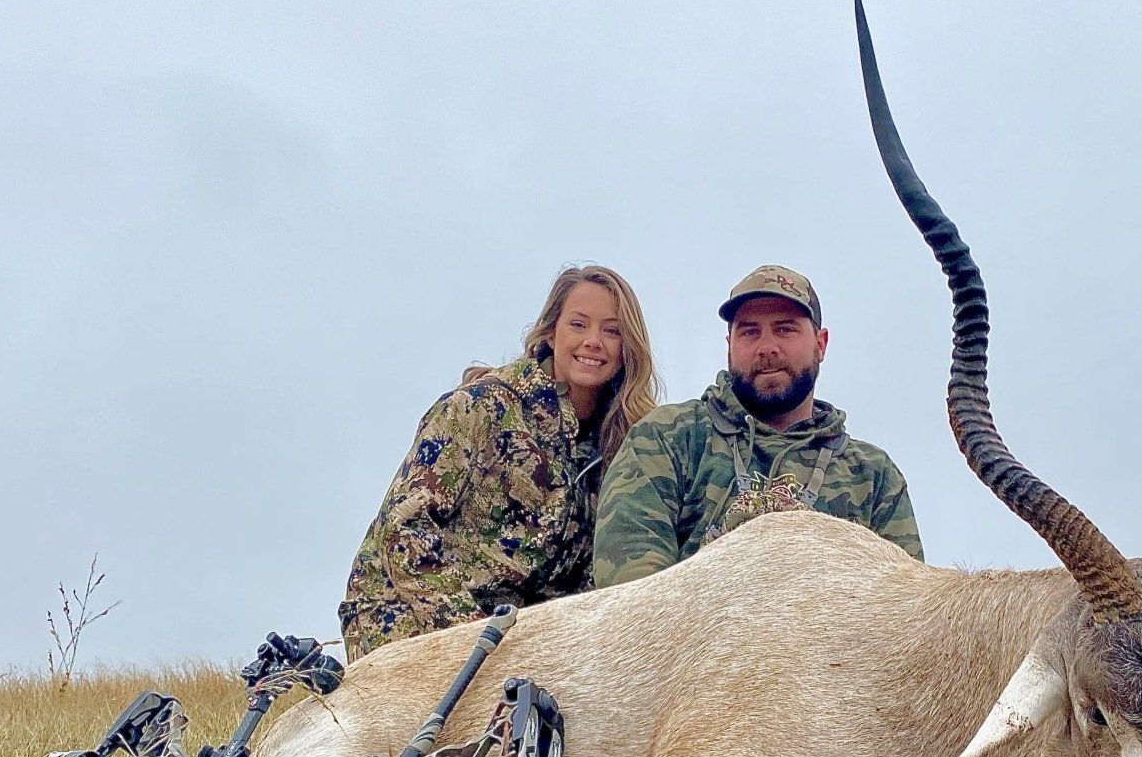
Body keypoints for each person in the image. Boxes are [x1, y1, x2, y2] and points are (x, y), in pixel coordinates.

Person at [339, 266, 661, 659]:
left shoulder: (622, 447)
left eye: (612, 331)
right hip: (408, 613)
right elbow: (403, 529)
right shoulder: (482, 407)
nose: (594, 342)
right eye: (579, 324)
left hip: (514, 638)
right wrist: (477, 637)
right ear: (551, 331)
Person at [593, 265, 920, 588]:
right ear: (729, 345)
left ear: (821, 344)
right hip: (691, 638)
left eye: (785, 329)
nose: (767, 347)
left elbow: (905, 609)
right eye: (749, 331)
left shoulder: (873, 476)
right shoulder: (667, 437)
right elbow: (632, 590)